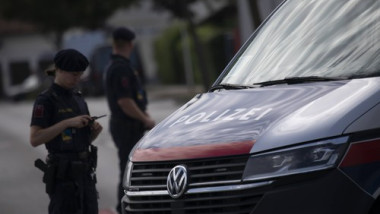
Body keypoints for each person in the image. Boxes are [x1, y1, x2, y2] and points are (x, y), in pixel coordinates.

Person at [30, 49, 103, 214]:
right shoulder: (46, 100)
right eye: (74, 74)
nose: (77, 79)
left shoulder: (78, 97)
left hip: (85, 174)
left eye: (80, 75)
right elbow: (35, 139)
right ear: (59, 70)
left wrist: (93, 132)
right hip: (64, 178)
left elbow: (79, 140)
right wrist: (67, 123)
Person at [104, 27, 155, 214]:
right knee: (128, 170)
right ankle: (123, 208)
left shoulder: (117, 66)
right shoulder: (121, 68)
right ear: (131, 45)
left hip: (125, 125)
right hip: (127, 126)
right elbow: (125, 102)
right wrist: (146, 119)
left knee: (130, 168)